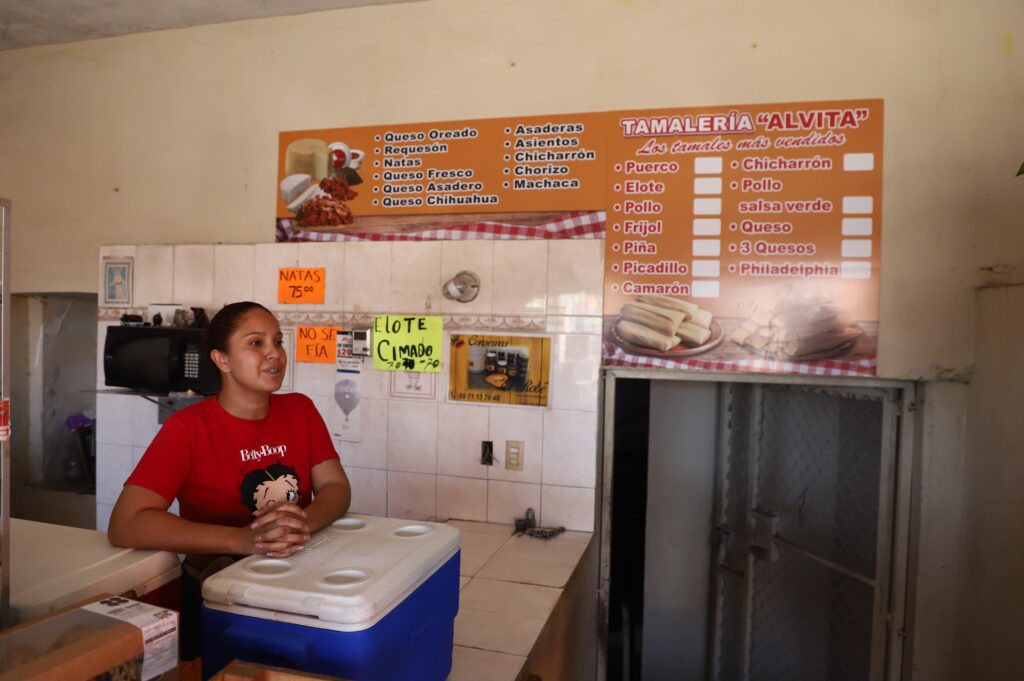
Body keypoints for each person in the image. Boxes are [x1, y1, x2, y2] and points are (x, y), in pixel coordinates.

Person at [108, 301, 351, 660]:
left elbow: (336, 487)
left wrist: (302, 523)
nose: (275, 354)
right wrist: (241, 539)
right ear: (221, 360)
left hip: (296, 584)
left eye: (278, 341)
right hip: (217, 594)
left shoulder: (301, 410)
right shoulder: (187, 429)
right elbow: (126, 523)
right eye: (256, 343)